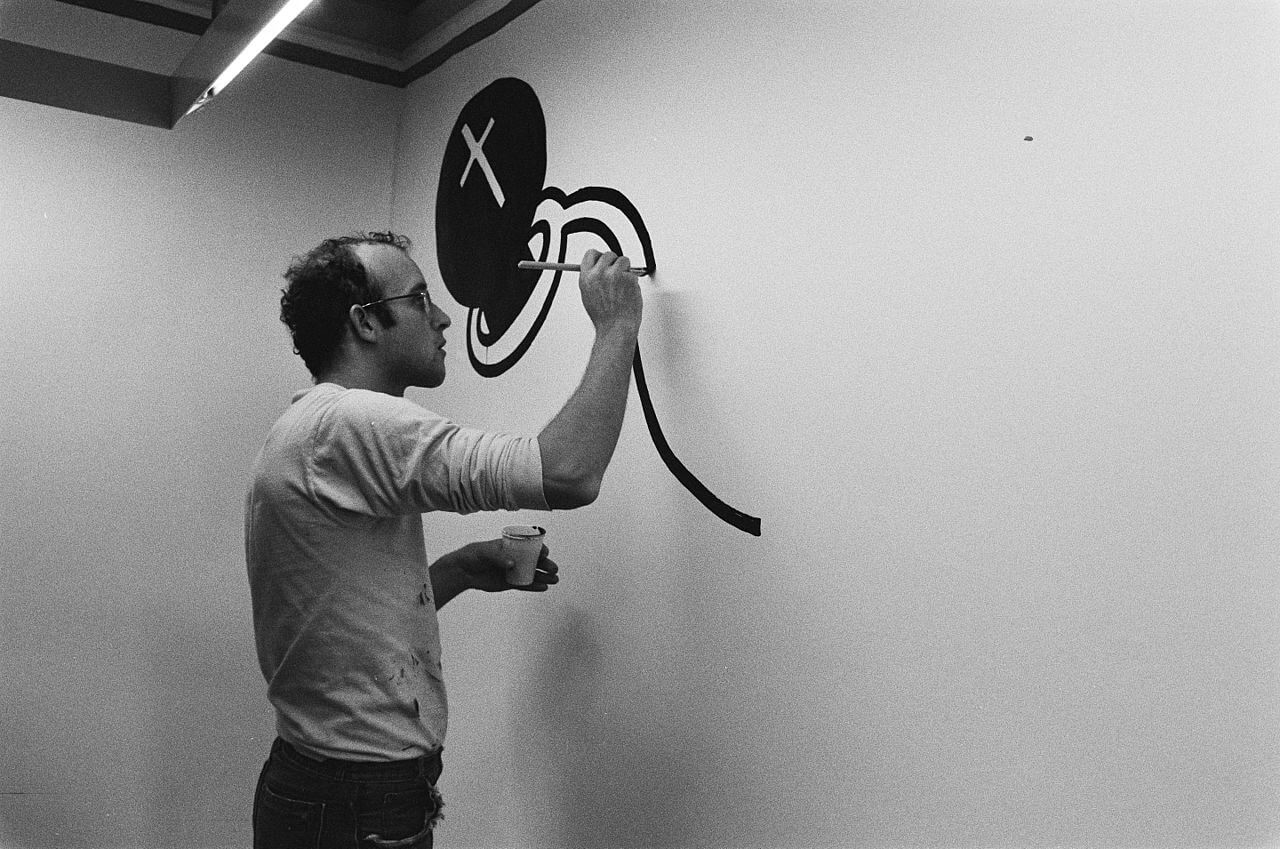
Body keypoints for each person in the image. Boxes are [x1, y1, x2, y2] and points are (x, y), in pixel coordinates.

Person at [244, 231, 641, 848]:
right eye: (419, 298)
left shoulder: (312, 429)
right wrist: (616, 326)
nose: (442, 316)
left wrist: (457, 569)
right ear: (366, 324)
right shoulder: (351, 422)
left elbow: (331, 621)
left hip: (332, 791)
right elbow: (568, 472)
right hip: (355, 800)